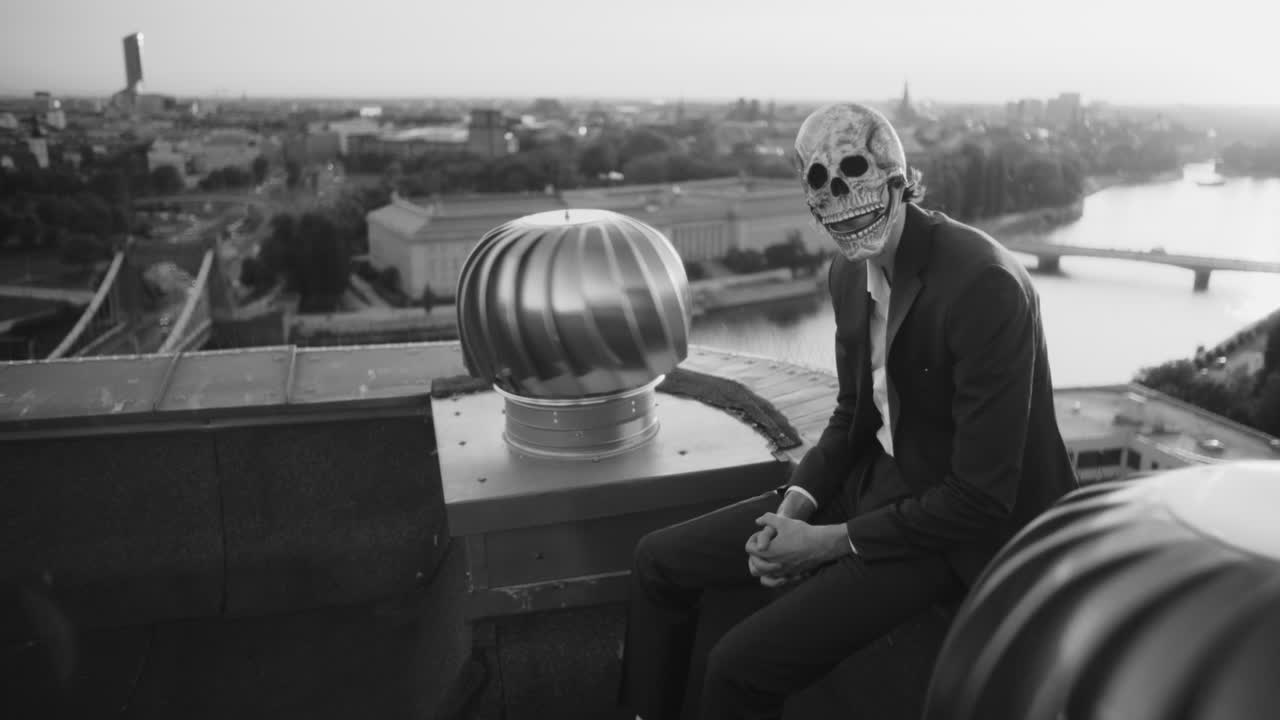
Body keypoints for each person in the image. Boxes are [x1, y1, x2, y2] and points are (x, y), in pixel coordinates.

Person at [618, 103, 1079, 720]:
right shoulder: (847, 273)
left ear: (897, 178)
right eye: (818, 182)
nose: (837, 195)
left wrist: (824, 545)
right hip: (876, 484)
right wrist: (792, 510)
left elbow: (980, 497)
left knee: (737, 667)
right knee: (657, 561)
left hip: (950, 530)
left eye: (853, 172)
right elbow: (851, 418)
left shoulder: (983, 285)